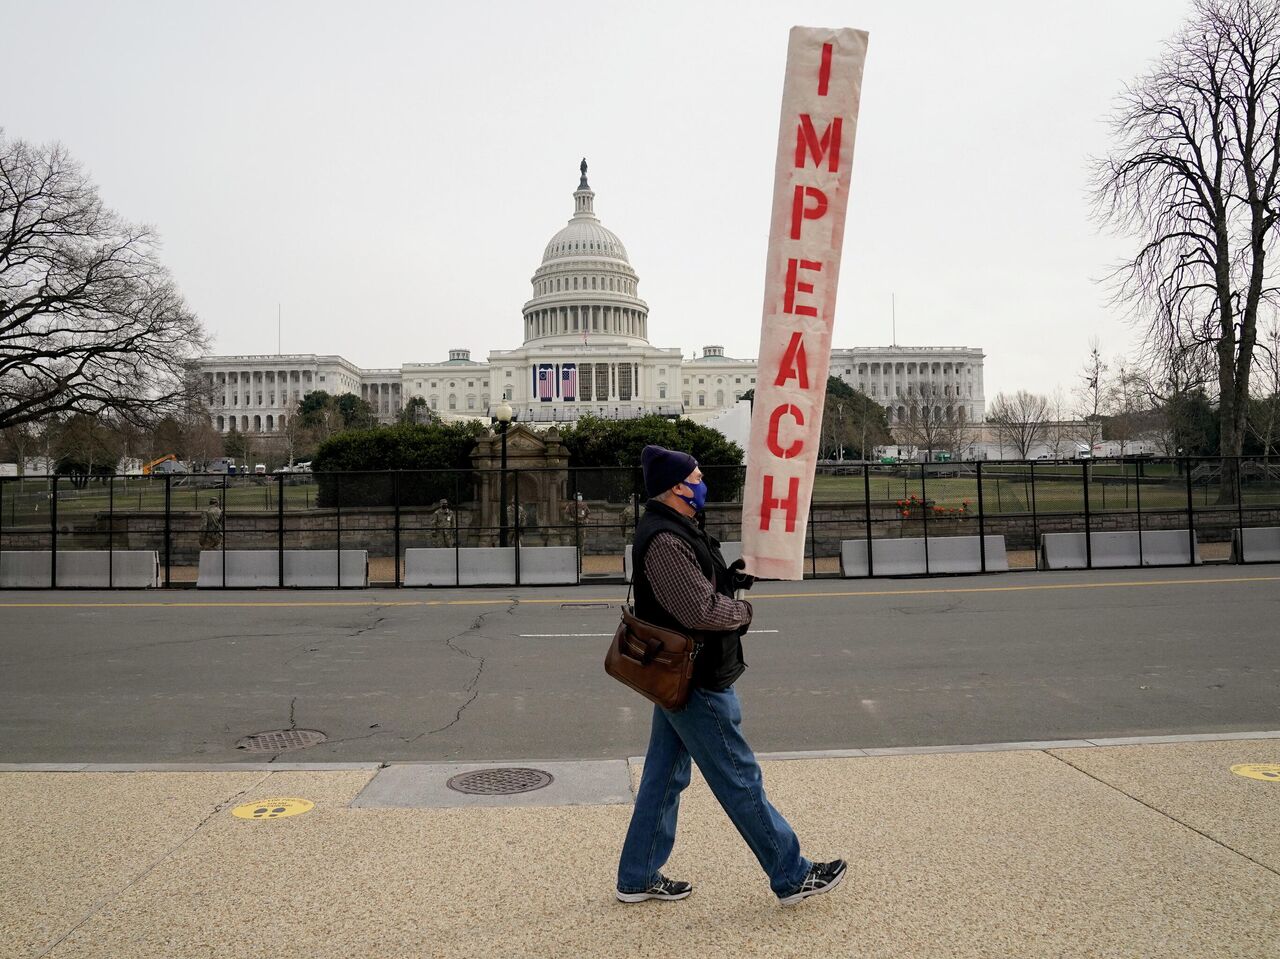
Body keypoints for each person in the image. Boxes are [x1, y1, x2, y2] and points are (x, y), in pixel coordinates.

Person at [616, 445, 846, 907]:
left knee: (664, 776)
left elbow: (694, 591)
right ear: (678, 487)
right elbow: (697, 609)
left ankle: (637, 875)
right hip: (696, 677)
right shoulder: (664, 538)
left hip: (679, 675)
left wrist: (729, 581)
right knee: (739, 778)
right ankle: (791, 873)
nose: (703, 482)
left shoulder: (677, 529)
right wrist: (742, 611)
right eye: (697, 476)